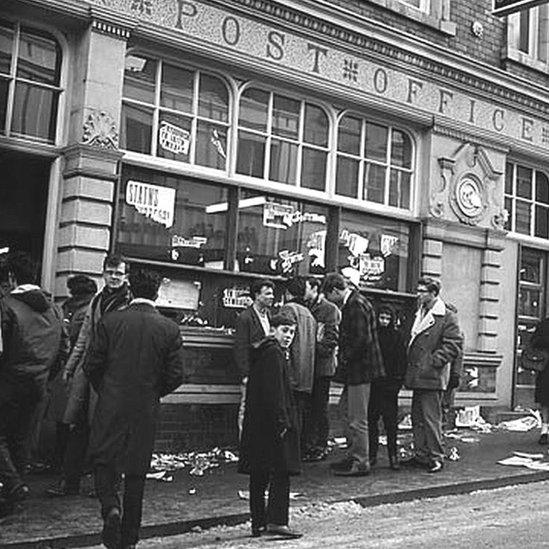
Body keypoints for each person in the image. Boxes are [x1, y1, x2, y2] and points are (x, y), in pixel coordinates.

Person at [84, 268, 184, 549]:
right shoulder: (169, 328)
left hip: (111, 402)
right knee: (137, 471)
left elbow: (91, 365)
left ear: (130, 292)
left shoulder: (111, 322)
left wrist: (107, 389)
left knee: (104, 459)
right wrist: (153, 391)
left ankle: (110, 507)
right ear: (156, 293)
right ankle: (129, 538)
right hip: (145, 407)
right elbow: (176, 375)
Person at [46, 254, 131, 497]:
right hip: (89, 373)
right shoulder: (96, 301)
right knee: (78, 426)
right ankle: (69, 481)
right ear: (103, 273)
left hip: (112, 375)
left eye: (119, 273)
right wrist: (70, 368)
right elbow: (83, 338)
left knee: (107, 431)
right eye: (110, 272)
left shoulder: (128, 303)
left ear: (125, 276)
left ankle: (107, 484)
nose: (114, 277)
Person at [0, 252, 68, 510]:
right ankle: (11, 499)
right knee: (21, 440)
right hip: (38, 385)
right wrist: (43, 376)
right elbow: (63, 351)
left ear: (11, 277)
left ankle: (14, 487)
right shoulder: (55, 309)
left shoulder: (6, 305)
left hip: (8, 383)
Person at [238, 312, 302, 540]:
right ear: (273, 330)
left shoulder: (263, 351)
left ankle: (258, 523)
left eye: (292, 332)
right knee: (281, 471)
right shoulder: (275, 353)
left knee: (259, 472)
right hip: (274, 423)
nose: (289, 336)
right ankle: (277, 520)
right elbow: (275, 391)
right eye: (285, 330)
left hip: (259, 423)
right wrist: (282, 421)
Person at [324, 273, 384, 477]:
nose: (328, 301)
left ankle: (360, 461)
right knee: (344, 411)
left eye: (328, 295)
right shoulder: (356, 302)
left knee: (357, 418)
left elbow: (361, 339)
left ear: (334, 291)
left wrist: (345, 358)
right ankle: (353, 455)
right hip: (359, 369)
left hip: (361, 370)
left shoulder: (355, 305)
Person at [403, 277, 462, 473]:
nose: (419, 294)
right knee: (417, 417)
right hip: (418, 373)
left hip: (432, 375)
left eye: (423, 291)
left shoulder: (446, 316)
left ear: (433, 293)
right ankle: (421, 454)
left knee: (431, 418)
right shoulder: (420, 313)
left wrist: (433, 362)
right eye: (418, 290)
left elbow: (453, 345)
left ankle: (436, 456)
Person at [47, 275, 98, 470]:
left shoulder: (79, 309)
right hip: (71, 366)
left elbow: (78, 339)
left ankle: (65, 461)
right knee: (70, 418)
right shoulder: (78, 307)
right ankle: (65, 461)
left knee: (72, 418)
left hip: (74, 368)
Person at [302, 277, 341, 461]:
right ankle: (308, 444)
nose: (304, 291)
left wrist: (311, 349)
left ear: (316, 288)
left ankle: (320, 445)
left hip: (321, 368)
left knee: (319, 407)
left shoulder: (329, 309)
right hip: (306, 366)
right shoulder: (305, 306)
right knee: (308, 407)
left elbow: (331, 340)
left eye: (306, 288)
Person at [233, 279, 274, 436]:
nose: (272, 297)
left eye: (272, 293)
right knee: (247, 408)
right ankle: (245, 444)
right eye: (267, 293)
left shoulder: (269, 316)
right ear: (257, 295)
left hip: (266, 372)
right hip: (252, 372)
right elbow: (240, 348)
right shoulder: (245, 318)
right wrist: (245, 374)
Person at [368, 305, 406, 470]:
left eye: (387, 318)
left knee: (391, 424)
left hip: (390, 387)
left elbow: (401, 361)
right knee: (371, 422)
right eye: (381, 317)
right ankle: (372, 455)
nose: (383, 321)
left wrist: (397, 383)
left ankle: (393, 456)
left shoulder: (397, 337)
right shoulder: (373, 336)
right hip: (374, 385)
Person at [280, 277, 316, 446]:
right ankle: (296, 452)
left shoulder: (288, 309)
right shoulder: (309, 314)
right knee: (298, 415)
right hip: (306, 374)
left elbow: (283, 340)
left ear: (288, 293)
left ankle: (288, 453)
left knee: (287, 415)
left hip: (291, 371)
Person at [442, 303, 463, 431]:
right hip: (438, 374)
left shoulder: (458, 332)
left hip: (449, 374)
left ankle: (442, 430)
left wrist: (456, 374)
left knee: (445, 403)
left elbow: (459, 356)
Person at [529, 317, 549, 444]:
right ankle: (545, 431)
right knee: (545, 400)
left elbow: (534, 342)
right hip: (546, 367)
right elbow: (534, 343)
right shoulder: (544, 325)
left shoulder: (543, 324)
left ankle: (545, 431)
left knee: (545, 401)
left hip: (545, 367)